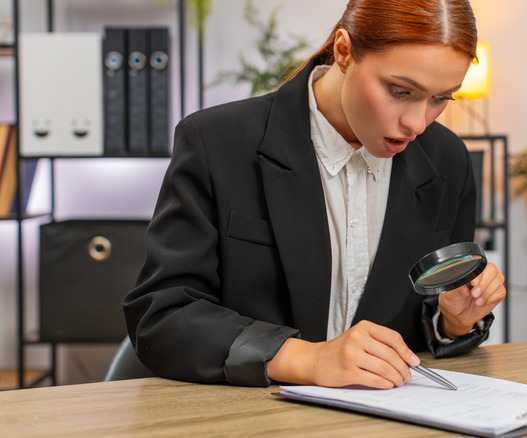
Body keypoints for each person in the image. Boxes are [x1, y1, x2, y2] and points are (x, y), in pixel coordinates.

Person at [123, 0, 506, 389]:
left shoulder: (447, 161)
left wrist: (453, 321)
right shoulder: (217, 143)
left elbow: (417, 324)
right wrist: (305, 358)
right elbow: (162, 317)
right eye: (399, 91)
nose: (417, 123)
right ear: (343, 52)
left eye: (442, 98)